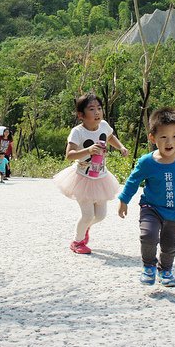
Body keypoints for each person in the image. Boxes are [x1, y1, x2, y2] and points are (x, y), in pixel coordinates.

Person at [117, 107, 175, 287]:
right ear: (152, 138)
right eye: (163, 137)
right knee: (148, 235)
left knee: (169, 246)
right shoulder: (147, 161)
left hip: (174, 212)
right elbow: (132, 181)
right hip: (150, 208)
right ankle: (148, 266)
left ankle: (166, 270)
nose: (170, 142)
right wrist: (124, 200)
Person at [53, 92, 128, 254]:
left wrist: (121, 147)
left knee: (100, 215)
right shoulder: (77, 132)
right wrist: (88, 150)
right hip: (82, 178)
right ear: (81, 115)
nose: (97, 112)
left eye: (99, 108)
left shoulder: (103, 125)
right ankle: (77, 242)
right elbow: (69, 155)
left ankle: (84, 229)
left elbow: (110, 137)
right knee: (87, 215)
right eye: (92, 109)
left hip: (101, 177)